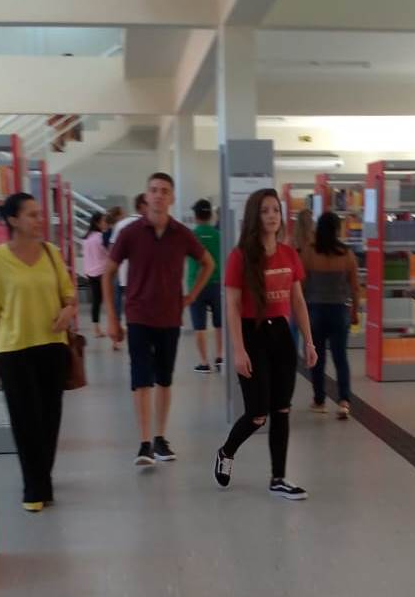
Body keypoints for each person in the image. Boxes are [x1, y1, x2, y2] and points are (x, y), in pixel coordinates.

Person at [213, 188, 318, 501]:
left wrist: (309, 341)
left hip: (281, 334)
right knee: (257, 413)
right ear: (254, 217)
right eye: (265, 210)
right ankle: (226, 451)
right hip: (251, 333)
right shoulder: (239, 257)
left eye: (276, 210)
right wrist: (238, 349)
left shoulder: (289, 254)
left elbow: (297, 301)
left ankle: (278, 478)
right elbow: (232, 306)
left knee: (282, 409)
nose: (272, 216)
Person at [104, 173, 215, 466]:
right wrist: (112, 317)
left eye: (164, 191)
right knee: (141, 379)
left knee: (164, 379)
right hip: (138, 315)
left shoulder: (182, 234)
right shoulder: (130, 232)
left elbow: (208, 263)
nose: (158, 195)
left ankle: (160, 438)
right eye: (153, 190)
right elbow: (108, 271)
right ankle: (144, 443)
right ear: (146, 196)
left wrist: (191, 296)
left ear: (172, 197)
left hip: (169, 317)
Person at [0, 193, 76, 513]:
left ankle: (41, 478)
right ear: (13, 220)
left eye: (40, 214)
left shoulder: (52, 254)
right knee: (25, 421)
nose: (39, 220)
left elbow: (69, 296)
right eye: (32, 215)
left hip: (52, 348)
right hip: (14, 351)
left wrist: (68, 312)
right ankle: (34, 489)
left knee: (49, 420)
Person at [301, 211, 360, 419]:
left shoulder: (309, 253)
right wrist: (355, 311)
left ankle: (319, 400)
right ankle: (344, 401)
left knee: (316, 357)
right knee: (340, 357)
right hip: (339, 311)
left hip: (314, 310)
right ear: (337, 230)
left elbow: (301, 284)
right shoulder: (347, 254)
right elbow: (355, 287)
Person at [187, 199, 223, 373]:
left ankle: (204, 362)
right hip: (217, 284)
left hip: (196, 286)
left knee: (199, 326)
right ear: (210, 215)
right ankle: (220, 357)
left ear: (195, 216)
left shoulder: (191, 236)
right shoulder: (219, 235)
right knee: (219, 323)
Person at [109, 195, 147, 350]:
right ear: (142, 206)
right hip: (142, 278)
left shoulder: (120, 225)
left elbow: (112, 250)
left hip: (123, 274)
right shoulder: (150, 224)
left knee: (120, 306)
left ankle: (116, 340)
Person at [287, 207, 315, 350]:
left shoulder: (291, 241)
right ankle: (308, 353)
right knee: (309, 330)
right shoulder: (315, 243)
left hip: (294, 289)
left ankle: (293, 355)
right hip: (311, 291)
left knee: (293, 327)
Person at [82, 211, 108, 338]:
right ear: (98, 223)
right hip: (102, 272)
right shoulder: (101, 237)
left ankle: (96, 329)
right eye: (104, 221)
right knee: (110, 300)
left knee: (96, 301)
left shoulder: (86, 238)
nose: (105, 223)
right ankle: (113, 325)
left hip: (90, 273)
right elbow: (108, 253)